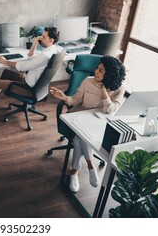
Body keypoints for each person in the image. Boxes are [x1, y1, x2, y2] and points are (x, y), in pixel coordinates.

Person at [50, 55, 126, 192]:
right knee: (80, 137)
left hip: (99, 124)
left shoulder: (119, 89)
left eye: (101, 70)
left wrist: (103, 91)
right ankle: (89, 167)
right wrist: (65, 98)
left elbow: (110, 110)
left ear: (110, 75)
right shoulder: (87, 81)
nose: (96, 72)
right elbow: (75, 101)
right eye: (97, 68)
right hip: (79, 118)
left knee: (79, 140)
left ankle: (75, 172)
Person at [0, 27, 60, 110]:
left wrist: (5, 61)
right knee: (6, 73)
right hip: (33, 82)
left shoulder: (45, 55)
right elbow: (30, 58)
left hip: (28, 89)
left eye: (44, 37)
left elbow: (25, 66)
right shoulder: (52, 51)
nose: (41, 38)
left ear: (51, 40)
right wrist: (35, 43)